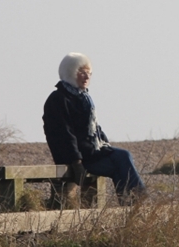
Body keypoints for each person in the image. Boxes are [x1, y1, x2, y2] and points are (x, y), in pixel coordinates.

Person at [43, 52, 147, 205]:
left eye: (89, 73)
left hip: (92, 152)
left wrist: (105, 144)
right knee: (122, 157)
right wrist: (76, 161)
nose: (87, 77)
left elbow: (94, 128)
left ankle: (128, 206)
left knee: (120, 161)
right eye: (82, 73)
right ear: (70, 73)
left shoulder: (83, 97)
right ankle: (139, 196)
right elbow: (64, 134)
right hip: (78, 157)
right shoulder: (58, 99)